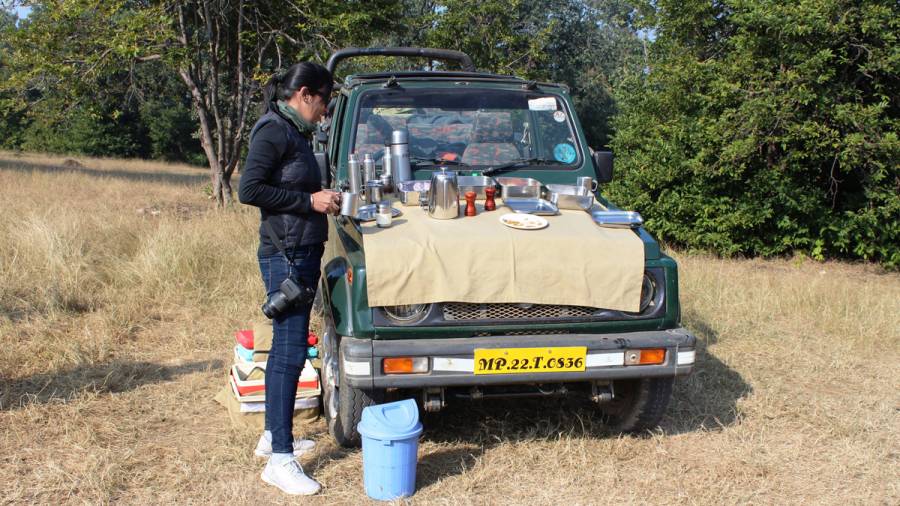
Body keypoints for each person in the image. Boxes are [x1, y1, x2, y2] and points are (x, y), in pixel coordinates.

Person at [238, 61, 340, 496]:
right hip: (286, 256)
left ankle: (271, 437)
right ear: (305, 94)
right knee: (288, 352)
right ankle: (281, 460)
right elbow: (250, 189)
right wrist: (309, 201)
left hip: (299, 250)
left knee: (289, 349)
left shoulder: (293, 130)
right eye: (324, 101)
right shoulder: (273, 129)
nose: (324, 111)